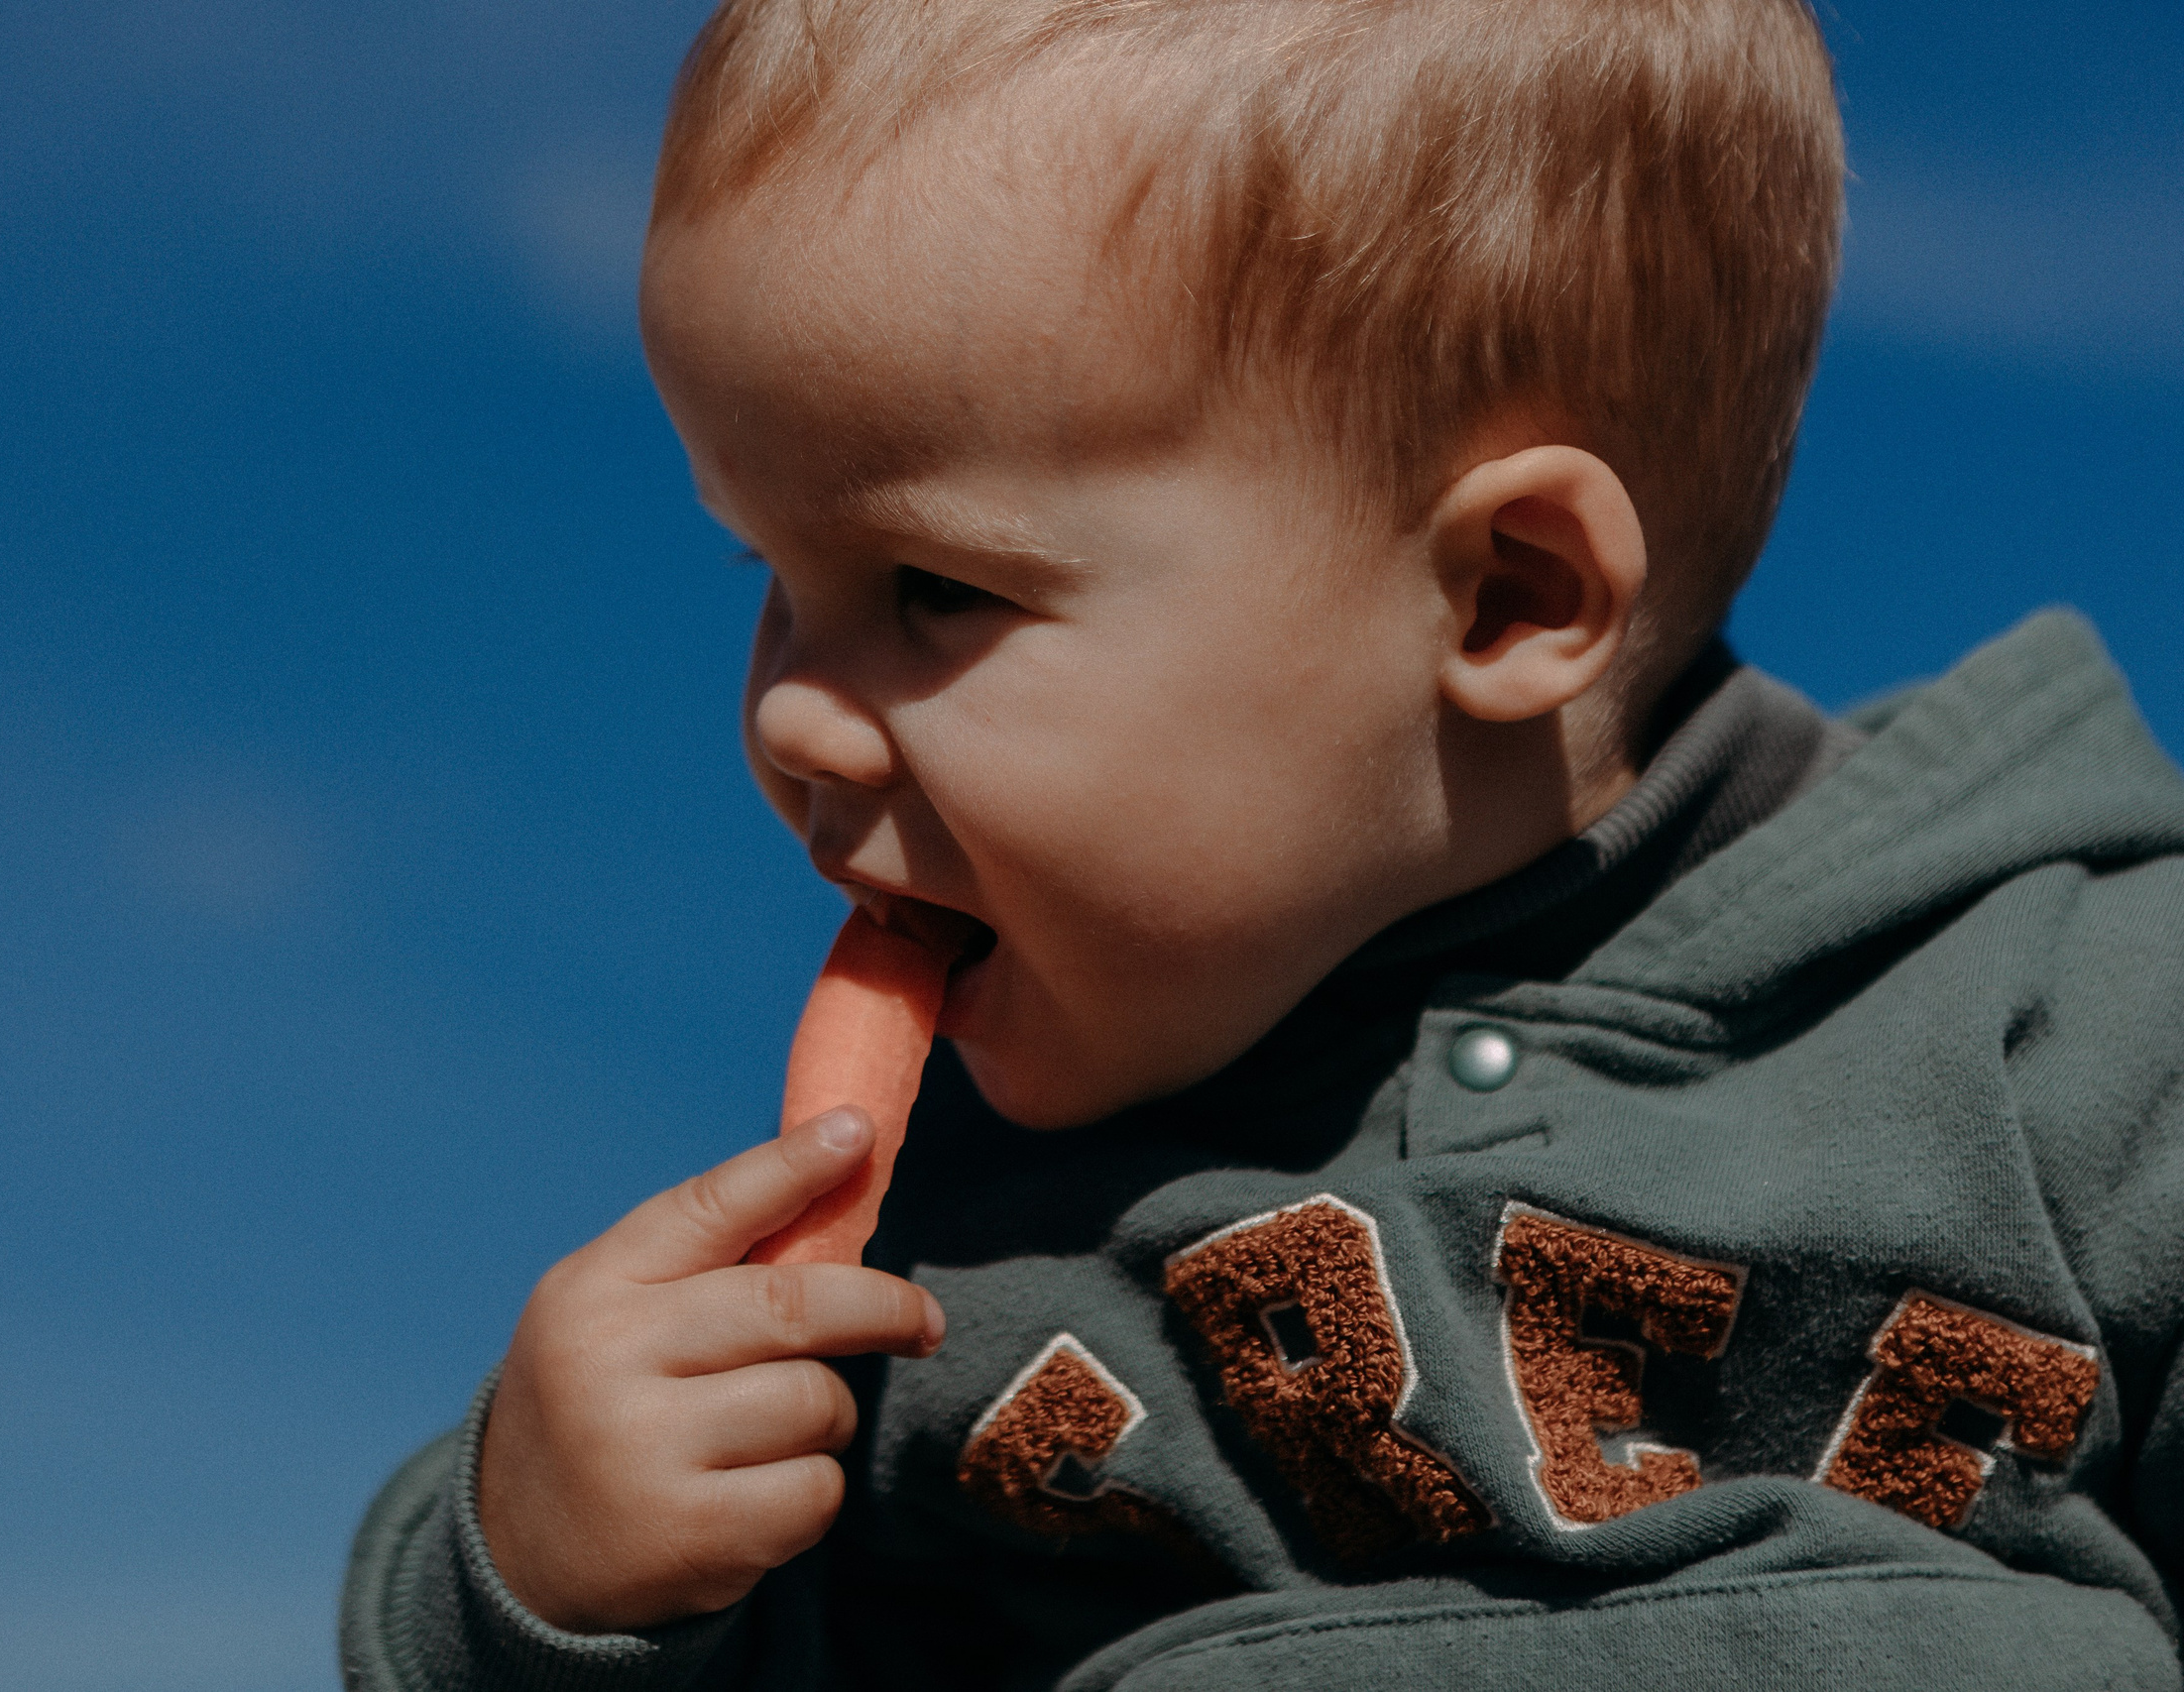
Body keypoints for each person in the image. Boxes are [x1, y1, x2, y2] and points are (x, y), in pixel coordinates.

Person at [341, 0, 2184, 1685]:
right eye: (773, 580)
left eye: (932, 587)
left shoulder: (2083, 1032)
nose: (787, 715)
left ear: (1503, 597)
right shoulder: (907, 1275)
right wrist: (542, 1563)